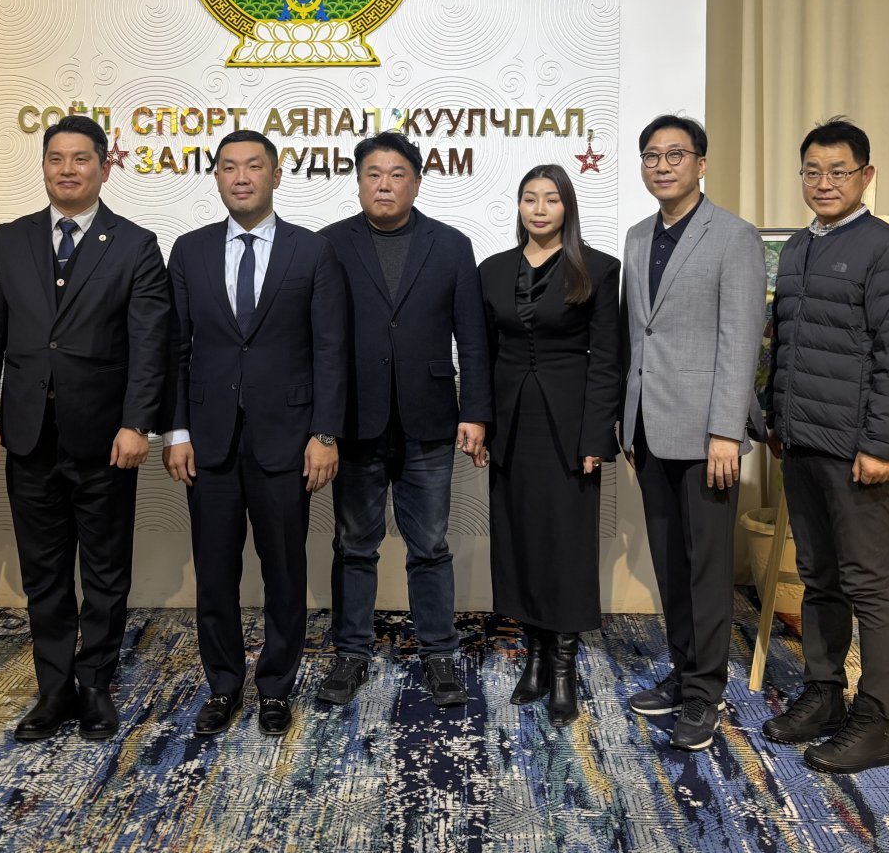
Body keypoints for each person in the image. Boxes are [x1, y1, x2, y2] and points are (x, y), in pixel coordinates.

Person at [0, 115, 170, 742]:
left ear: (105, 167)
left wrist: (139, 423)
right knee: (44, 571)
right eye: (56, 158)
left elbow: (150, 345)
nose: (67, 169)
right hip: (27, 435)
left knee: (106, 570)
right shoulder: (10, 240)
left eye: (81, 158)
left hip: (106, 439)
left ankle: (95, 684)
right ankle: (52, 689)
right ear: (45, 166)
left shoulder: (134, 244)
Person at [164, 130, 347, 735]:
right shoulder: (188, 251)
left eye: (253, 167)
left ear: (275, 176)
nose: (240, 177)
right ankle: (222, 685)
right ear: (216, 177)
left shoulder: (311, 251)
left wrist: (325, 432)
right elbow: (176, 349)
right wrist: (177, 431)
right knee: (214, 571)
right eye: (228, 168)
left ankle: (275, 686)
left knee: (284, 570)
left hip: (287, 437)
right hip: (209, 438)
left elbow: (329, 348)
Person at [761, 117, 889, 773]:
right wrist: (777, 419)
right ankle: (824, 694)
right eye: (812, 170)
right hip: (802, 444)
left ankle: (877, 718)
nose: (823, 181)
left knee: (870, 584)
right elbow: (789, 346)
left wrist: (883, 442)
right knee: (819, 578)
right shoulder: (801, 247)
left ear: (866, 175)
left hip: (858, 450)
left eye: (838, 170)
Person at [317, 132, 490, 709]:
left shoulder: (450, 245)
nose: (384, 183)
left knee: (431, 545)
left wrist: (476, 413)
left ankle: (440, 655)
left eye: (396, 174)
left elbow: (473, 338)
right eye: (373, 173)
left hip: (430, 420)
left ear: (416, 181)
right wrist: (320, 424)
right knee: (354, 545)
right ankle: (351, 654)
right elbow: (316, 342)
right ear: (359, 181)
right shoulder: (328, 245)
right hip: (354, 421)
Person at [621, 115, 765, 751]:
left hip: (709, 434)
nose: (662, 165)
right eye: (651, 155)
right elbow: (637, 333)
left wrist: (726, 431)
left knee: (707, 569)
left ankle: (706, 694)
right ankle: (683, 674)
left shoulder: (733, 236)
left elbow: (740, 340)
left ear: (701, 164)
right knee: (670, 564)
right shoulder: (634, 236)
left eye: (675, 154)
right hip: (648, 426)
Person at [478, 165, 621, 725]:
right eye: (529, 198)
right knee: (519, 542)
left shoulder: (599, 269)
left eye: (552, 199)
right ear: (518, 207)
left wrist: (596, 436)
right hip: (512, 427)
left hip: (570, 427)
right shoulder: (491, 272)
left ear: (568, 208)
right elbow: (483, 355)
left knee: (565, 542)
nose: (539, 209)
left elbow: (609, 360)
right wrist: (483, 423)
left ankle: (563, 665)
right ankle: (532, 657)